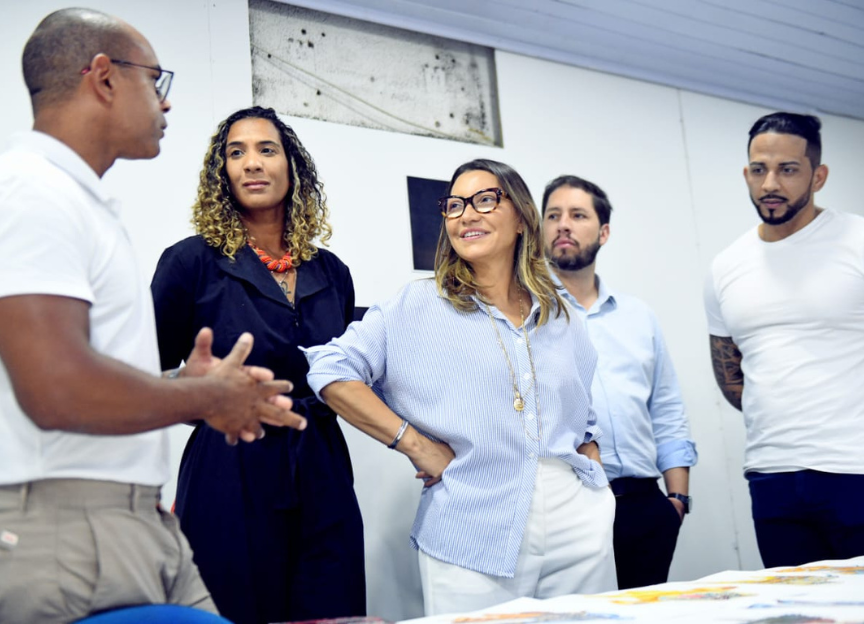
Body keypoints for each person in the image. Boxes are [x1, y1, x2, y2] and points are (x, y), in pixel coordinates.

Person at [0, 10, 305, 624]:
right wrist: (207, 400)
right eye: (155, 81)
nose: (166, 104)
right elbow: (54, 388)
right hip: (70, 528)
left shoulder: (81, 203)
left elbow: (83, 374)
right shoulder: (32, 192)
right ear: (105, 78)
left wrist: (182, 388)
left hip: (135, 518)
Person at [305, 159, 617, 615]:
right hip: (471, 523)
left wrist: (591, 459)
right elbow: (329, 368)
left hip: (578, 521)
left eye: (485, 200)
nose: (467, 215)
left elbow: (581, 414)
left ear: (522, 219)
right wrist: (412, 443)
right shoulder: (418, 304)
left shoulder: (562, 315)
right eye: (454, 206)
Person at [150, 106, 365, 624]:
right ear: (221, 173)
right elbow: (144, 380)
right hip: (230, 465)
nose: (251, 163)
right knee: (231, 609)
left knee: (331, 609)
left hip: (322, 466)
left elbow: (348, 374)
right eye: (236, 152)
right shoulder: (190, 263)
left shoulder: (332, 271)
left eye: (266, 150)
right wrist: (205, 396)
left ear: (292, 168)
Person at [705, 112, 864, 567]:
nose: (770, 183)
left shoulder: (857, 240)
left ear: (819, 175)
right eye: (759, 169)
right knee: (793, 613)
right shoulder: (726, 266)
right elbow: (731, 374)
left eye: (787, 170)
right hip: (771, 475)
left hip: (855, 469)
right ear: (747, 174)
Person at [541, 175, 697, 589]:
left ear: (603, 232)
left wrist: (677, 500)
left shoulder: (638, 316)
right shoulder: (531, 314)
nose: (563, 225)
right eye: (553, 215)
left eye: (578, 215)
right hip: (568, 503)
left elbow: (666, 408)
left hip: (646, 505)